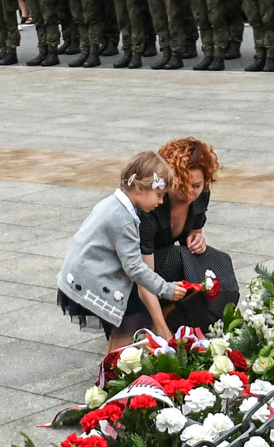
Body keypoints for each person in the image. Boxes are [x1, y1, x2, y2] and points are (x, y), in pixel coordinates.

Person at [58, 152, 187, 351]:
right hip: (91, 278)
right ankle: (113, 372)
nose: (161, 202)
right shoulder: (123, 218)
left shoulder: (114, 204)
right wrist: (165, 289)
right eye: (159, 195)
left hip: (88, 272)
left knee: (133, 317)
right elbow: (134, 267)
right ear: (139, 188)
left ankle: (118, 364)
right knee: (132, 319)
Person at [138, 138, 238, 334]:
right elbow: (143, 275)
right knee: (181, 258)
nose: (189, 193)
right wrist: (160, 327)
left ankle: (206, 318)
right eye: (180, 185)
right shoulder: (152, 205)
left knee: (219, 262)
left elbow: (194, 231)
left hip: (167, 263)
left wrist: (197, 239)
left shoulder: (201, 194)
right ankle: (163, 319)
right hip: (138, 268)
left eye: (196, 185)